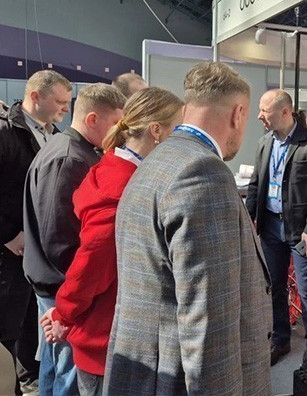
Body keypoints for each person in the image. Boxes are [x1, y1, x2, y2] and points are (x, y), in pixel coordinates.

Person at [104, 62, 272, 395]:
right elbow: (210, 322)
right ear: (238, 114)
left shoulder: (157, 159)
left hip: (145, 371)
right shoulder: (203, 172)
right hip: (173, 378)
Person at [38, 88, 183, 396]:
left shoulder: (112, 166)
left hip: (108, 335)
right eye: (177, 128)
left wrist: (63, 312)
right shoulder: (123, 188)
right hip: (108, 340)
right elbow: (93, 263)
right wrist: (63, 313)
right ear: (156, 131)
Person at [23, 83, 126, 396]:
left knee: (55, 370)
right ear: (93, 119)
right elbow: (59, 238)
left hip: (63, 289)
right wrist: (78, 295)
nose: (121, 133)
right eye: (116, 124)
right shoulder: (70, 158)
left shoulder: (72, 150)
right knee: (67, 377)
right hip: (64, 289)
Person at [246, 89, 307, 366]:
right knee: (275, 286)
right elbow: (256, 184)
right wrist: (249, 219)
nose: (259, 116)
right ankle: (280, 339)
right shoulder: (264, 143)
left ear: (284, 111)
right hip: (270, 227)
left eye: (264, 110)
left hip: (300, 231)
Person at [0, 70, 72, 395]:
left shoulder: (56, 136)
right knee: (8, 331)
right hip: (9, 254)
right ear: (35, 96)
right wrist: (7, 235)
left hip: (39, 256)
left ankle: (31, 383)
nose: (66, 108)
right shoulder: (5, 133)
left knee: (34, 326)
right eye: (60, 101)